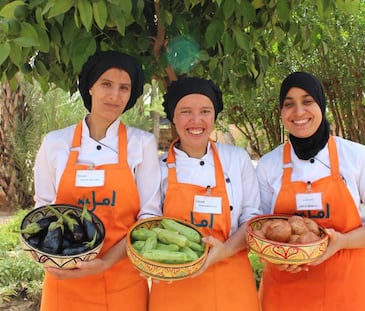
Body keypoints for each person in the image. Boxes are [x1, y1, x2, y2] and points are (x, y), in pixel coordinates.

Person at [256, 71, 365, 311]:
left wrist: (343, 241)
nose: (299, 112)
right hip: (286, 296)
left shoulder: (355, 156)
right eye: (289, 104)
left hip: (349, 293)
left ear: (321, 105)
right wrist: (274, 256)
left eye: (307, 101)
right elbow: (258, 229)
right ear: (281, 112)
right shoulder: (268, 165)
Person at [33, 50, 161, 311]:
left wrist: (106, 262)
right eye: (106, 84)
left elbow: (149, 217)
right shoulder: (56, 143)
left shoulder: (142, 144)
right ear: (90, 86)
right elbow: (42, 209)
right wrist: (47, 259)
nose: (114, 96)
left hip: (123, 280)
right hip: (64, 278)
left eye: (124, 87)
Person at [141, 77, 261, 311]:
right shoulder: (158, 166)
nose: (196, 121)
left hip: (231, 283)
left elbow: (251, 218)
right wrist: (153, 261)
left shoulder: (236, 160)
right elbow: (148, 219)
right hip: (173, 282)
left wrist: (224, 250)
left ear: (214, 116)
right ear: (173, 118)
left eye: (205, 111)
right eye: (186, 112)